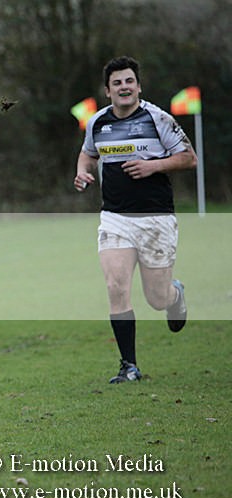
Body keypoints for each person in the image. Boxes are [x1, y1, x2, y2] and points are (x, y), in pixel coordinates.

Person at [74, 56, 197, 383]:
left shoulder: (158, 119)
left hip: (156, 219)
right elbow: (88, 153)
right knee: (115, 285)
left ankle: (174, 294)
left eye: (129, 81)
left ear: (138, 86)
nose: (124, 87)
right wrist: (82, 173)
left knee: (156, 299)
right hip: (115, 218)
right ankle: (129, 366)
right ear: (108, 90)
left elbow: (189, 157)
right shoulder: (98, 123)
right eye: (117, 83)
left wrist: (152, 166)